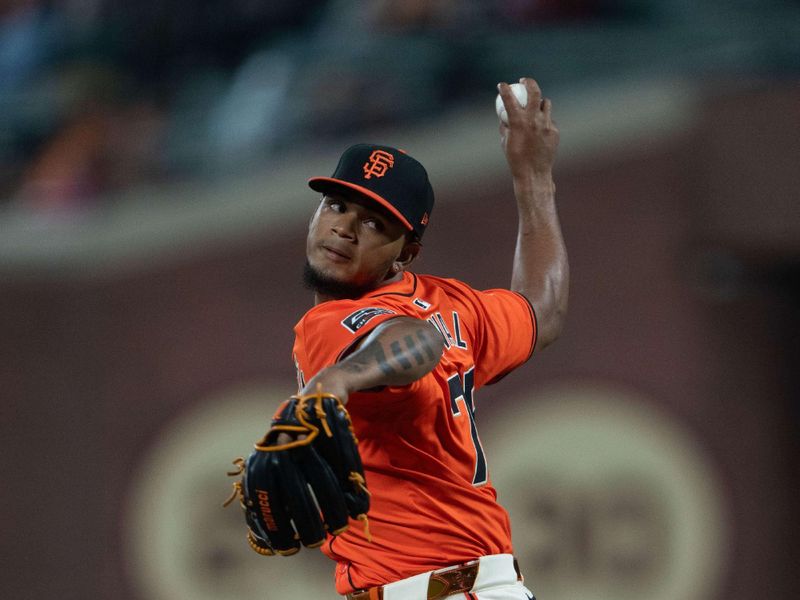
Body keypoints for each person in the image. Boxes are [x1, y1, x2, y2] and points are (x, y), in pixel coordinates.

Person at [292, 77, 568, 600]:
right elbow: (544, 311)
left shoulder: (335, 323)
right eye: (335, 205)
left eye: (373, 223)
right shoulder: (456, 306)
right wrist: (534, 180)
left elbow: (414, 342)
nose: (345, 228)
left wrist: (338, 379)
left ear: (407, 251)